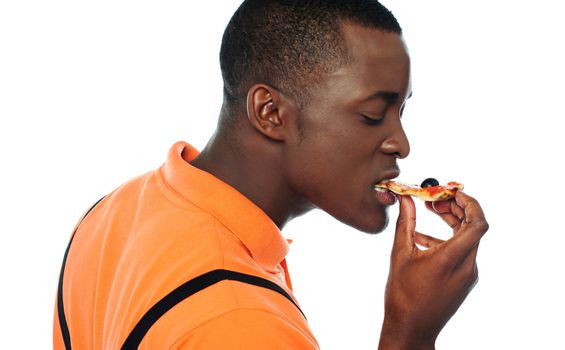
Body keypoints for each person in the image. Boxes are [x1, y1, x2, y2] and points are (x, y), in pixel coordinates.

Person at [54, 0, 489, 349]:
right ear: (270, 113)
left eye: (402, 110)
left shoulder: (110, 211)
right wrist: (409, 334)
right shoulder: (242, 321)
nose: (402, 144)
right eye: (374, 114)